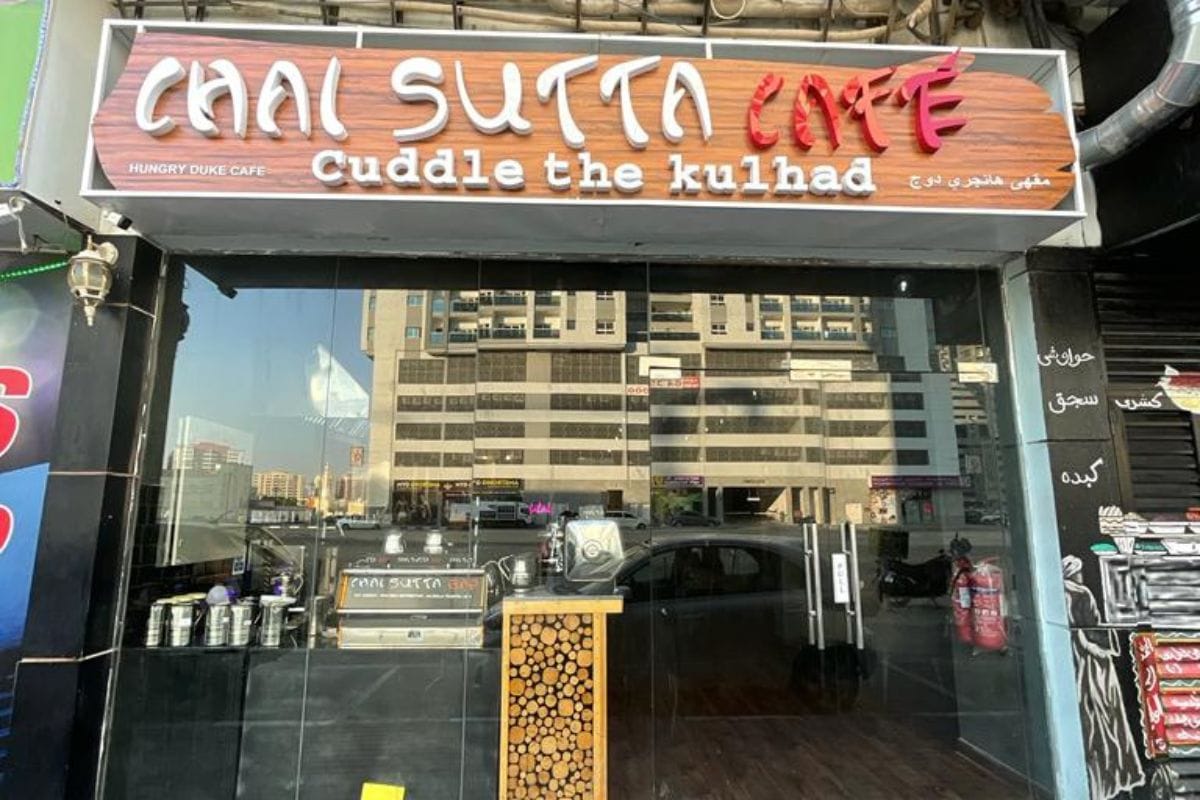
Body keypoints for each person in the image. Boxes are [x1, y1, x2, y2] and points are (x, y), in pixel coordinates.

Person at [1063, 556, 1145, 800]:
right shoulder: (1081, 593)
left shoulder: (1059, 593)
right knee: (1106, 715)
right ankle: (1115, 777)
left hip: (1074, 657)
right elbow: (1093, 626)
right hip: (1093, 662)